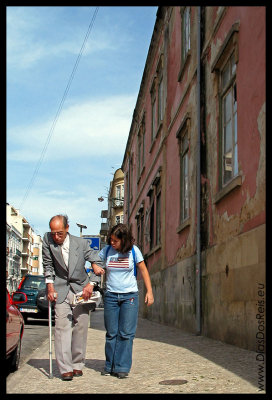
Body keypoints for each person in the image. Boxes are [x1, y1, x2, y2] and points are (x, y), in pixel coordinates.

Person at [42, 214, 105, 381]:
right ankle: (65, 368)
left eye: (60, 233)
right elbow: (48, 265)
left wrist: (91, 284)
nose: (56, 237)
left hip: (81, 289)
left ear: (67, 228)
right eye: (53, 233)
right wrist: (49, 286)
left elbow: (99, 263)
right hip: (61, 288)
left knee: (81, 326)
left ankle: (77, 364)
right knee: (62, 328)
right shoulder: (47, 240)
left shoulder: (81, 243)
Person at [99, 223, 154, 379]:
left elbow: (144, 270)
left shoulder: (134, 251)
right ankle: (110, 365)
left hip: (129, 296)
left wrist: (149, 292)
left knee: (126, 333)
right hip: (110, 296)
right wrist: (95, 267)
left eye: (115, 241)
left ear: (124, 240)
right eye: (111, 240)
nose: (112, 243)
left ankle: (122, 366)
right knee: (111, 333)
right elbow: (95, 261)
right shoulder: (107, 251)